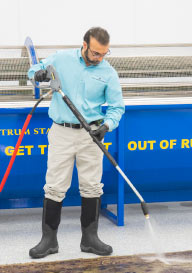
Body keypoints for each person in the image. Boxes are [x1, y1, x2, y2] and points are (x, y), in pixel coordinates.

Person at [27, 27, 124, 259]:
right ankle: (48, 240)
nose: (99, 58)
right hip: (62, 132)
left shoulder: (108, 72)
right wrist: (38, 74)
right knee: (55, 185)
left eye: (103, 54)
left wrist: (106, 126)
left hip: (92, 134)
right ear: (84, 45)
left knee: (92, 185)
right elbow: (33, 70)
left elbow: (117, 107)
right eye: (95, 53)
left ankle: (90, 239)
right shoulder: (61, 59)